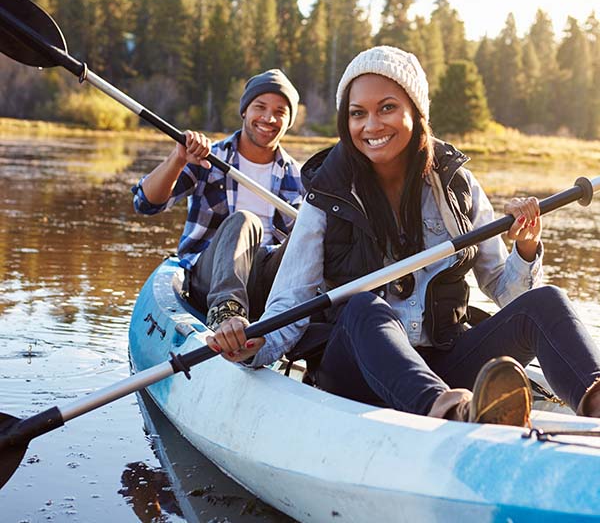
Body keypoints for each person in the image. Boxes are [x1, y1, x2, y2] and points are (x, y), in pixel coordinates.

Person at [207, 46, 600, 424]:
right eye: (358, 113)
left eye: (387, 108)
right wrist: (256, 346)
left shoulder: (457, 185)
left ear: (417, 111)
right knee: (363, 306)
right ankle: (448, 414)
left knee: (545, 302)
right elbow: (291, 299)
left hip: (445, 361)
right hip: (357, 369)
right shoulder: (326, 193)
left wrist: (526, 249)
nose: (371, 125)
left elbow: (506, 291)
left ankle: (595, 401)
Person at [132, 69, 304, 331]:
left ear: (289, 121)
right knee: (245, 221)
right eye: (260, 107)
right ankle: (226, 313)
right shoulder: (209, 157)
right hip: (209, 278)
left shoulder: (297, 175)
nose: (269, 118)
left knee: (309, 233)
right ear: (245, 110)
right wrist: (177, 159)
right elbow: (145, 203)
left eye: (280, 112)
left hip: (267, 285)